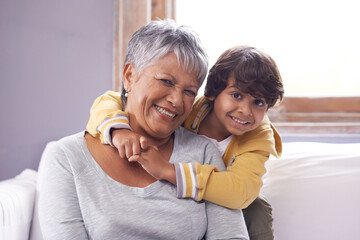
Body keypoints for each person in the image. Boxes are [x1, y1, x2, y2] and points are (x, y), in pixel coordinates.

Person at [38, 20, 249, 239]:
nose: (177, 100)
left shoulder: (203, 152)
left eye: (189, 91)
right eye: (166, 81)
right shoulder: (67, 157)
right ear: (130, 76)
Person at [86, 45, 284, 239]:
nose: (246, 111)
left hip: (234, 198)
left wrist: (167, 170)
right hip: (187, 192)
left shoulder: (259, 136)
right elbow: (109, 100)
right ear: (213, 93)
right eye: (236, 95)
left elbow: (240, 191)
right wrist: (119, 131)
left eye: (258, 102)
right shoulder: (189, 108)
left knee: (257, 209)